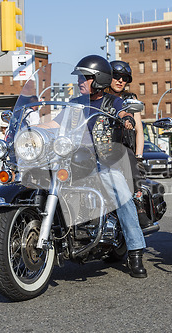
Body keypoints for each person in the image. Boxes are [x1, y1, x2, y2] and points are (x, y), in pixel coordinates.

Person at [43, 55, 147, 278]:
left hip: (105, 160)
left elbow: (123, 112)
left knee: (120, 192)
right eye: (80, 77)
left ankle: (136, 251)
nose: (80, 81)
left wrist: (126, 118)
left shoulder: (113, 102)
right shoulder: (74, 104)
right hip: (73, 160)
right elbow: (54, 123)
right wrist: (33, 128)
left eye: (85, 77)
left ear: (98, 79)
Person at [107, 61, 152, 229]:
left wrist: (139, 156)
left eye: (124, 78)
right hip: (102, 147)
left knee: (132, 164)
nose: (120, 81)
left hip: (125, 147)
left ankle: (139, 207)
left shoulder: (130, 99)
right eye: (116, 77)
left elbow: (139, 130)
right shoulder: (101, 98)